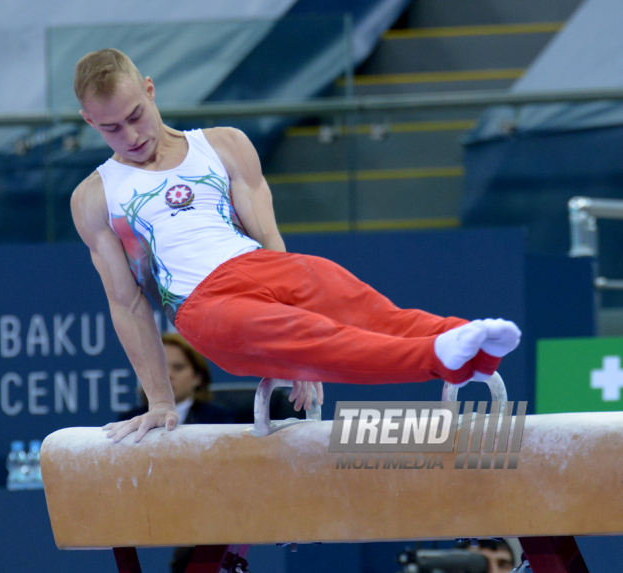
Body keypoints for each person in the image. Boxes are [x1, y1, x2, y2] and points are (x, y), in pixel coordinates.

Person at [71, 48, 521, 444]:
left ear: (150, 90)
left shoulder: (223, 144)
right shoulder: (96, 196)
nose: (130, 136)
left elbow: (268, 239)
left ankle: (462, 339)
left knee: (364, 308)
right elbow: (127, 303)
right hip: (204, 307)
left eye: (135, 116)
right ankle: (438, 358)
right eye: (111, 128)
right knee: (320, 339)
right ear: (90, 122)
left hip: (259, 265)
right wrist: (161, 401)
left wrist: (293, 356)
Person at [119, 333, 235, 425]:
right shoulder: (130, 420)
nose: (168, 375)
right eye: (160, 368)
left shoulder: (218, 419)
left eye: (178, 367)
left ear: (197, 377)